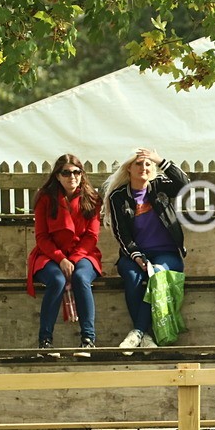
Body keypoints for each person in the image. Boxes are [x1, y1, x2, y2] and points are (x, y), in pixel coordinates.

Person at [103, 148, 188, 348]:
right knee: (133, 277)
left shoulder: (159, 187)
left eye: (148, 164)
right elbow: (121, 233)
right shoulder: (118, 197)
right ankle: (146, 337)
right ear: (129, 169)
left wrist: (160, 159)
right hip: (133, 254)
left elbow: (184, 184)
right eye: (138, 164)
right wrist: (137, 256)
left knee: (155, 274)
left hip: (167, 254)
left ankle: (138, 332)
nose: (144, 168)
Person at [26, 154, 103, 353]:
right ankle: (45, 342)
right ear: (57, 176)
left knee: (81, 277)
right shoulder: (45, 198)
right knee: (57, 281)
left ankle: (88, 340)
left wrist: (74, 260)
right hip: (49, 254)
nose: (72, 177)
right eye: (66, 173)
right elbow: (42, 237)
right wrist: (61, 259)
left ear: (82, 174)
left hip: (84, 253)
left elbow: (92, 236)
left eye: (77, 172)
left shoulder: (92, 198)